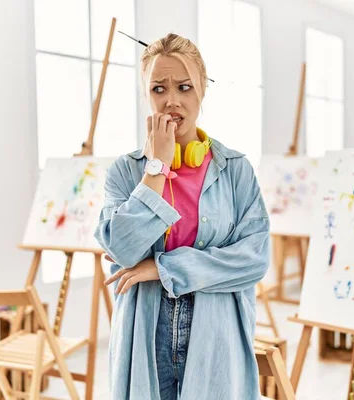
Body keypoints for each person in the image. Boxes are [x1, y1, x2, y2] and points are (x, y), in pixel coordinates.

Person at [94, 33, 270, 400]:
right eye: (159, 89)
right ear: (146, 94)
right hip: (146, 334)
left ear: (202, 89)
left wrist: (163, 269)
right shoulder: (126, 173)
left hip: (216, 335)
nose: (172, 100)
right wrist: (155, 167)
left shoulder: (236, 170)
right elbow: (121, 249)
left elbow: (253, 260)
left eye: (184, 86)